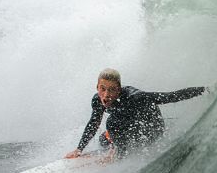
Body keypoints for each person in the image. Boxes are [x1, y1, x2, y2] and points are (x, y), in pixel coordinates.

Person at [65, 68, 207, 160]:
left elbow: (171, 96)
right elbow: (94, 123)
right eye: (102, 89)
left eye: (112, 90)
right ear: (97, 87)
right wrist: (79, 149)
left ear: (119, 90)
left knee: (112, 123)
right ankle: (116, 150)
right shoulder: (97, 100)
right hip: (130, 127)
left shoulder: (135, 97)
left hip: (152, 128)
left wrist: (205, 90)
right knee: (103, 139)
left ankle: (119, 156)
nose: (106, 95)